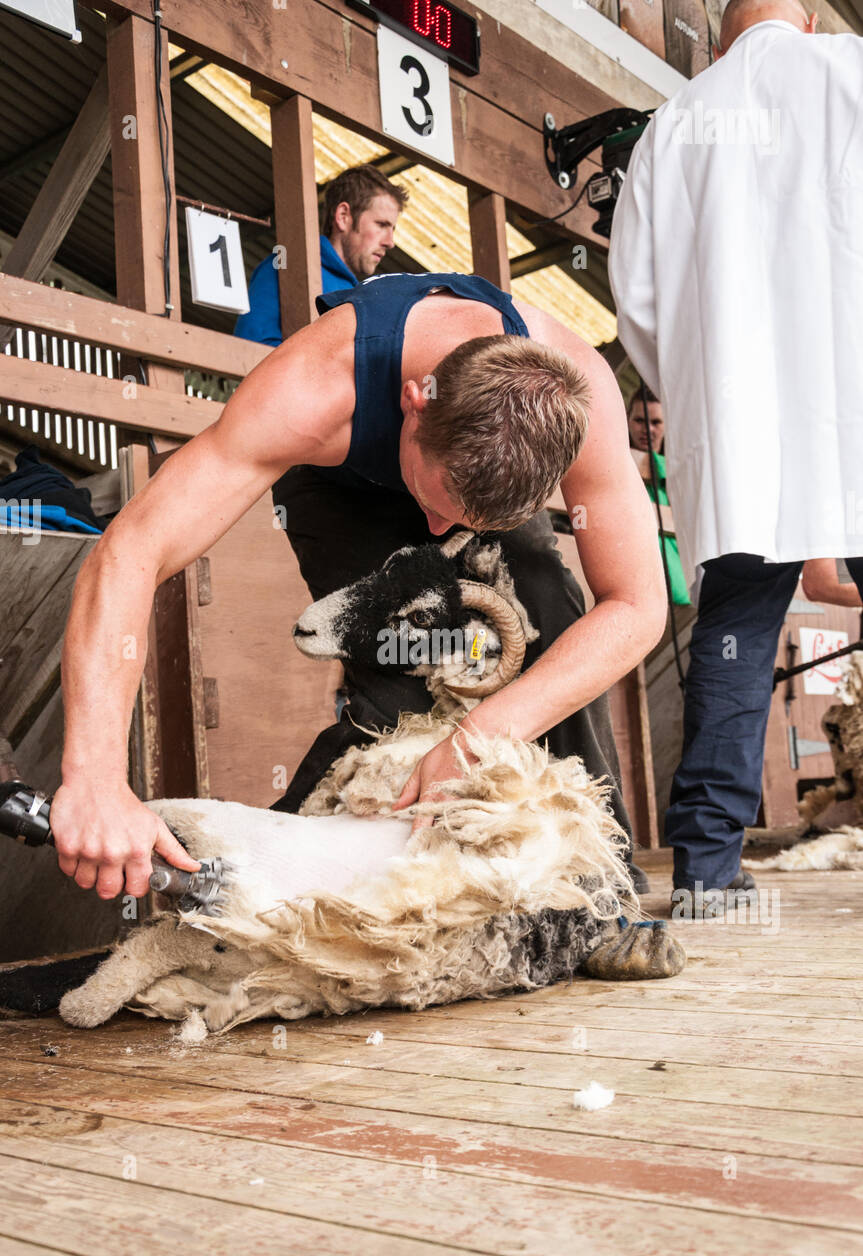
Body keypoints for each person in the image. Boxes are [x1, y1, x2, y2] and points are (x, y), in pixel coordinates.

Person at [50, 270, 666, 901]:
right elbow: (131, 549)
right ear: (413, 399)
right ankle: (259, 889)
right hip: (342, 480)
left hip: (465, 467)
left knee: (551, 616)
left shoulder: (580, 397)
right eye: (437, 506)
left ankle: (599, 887)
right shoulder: (314, 388)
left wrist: (487, 730)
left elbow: (638, 606)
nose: (440, 533)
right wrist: (93, 774)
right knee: (399, 674)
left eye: (464, 524)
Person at [608, 0, 863, 912]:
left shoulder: (674, 124)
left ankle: (708, 871)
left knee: (736, 636)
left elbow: (636, 295)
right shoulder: (850, 72)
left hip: (743, 421)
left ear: (719, 35)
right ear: (799, 18)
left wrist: (693, 383)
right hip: (854, 395)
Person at [233, 163, 407, 348]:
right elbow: (251, 348)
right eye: (381, 225)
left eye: (392, 229)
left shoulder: (363, 297)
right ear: (343, 216)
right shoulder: (285, 267)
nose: (390, 242)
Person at [626, 388, 690, 608]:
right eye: (640, 420)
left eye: (656, 422)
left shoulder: (681, 473)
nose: (648, 429)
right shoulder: (616, 468)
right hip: (634, 597)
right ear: (627, 421)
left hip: (680, 600)